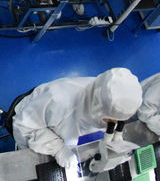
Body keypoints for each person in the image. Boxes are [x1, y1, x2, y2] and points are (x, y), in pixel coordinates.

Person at [11, 68, 142, 168]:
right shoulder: (59, 100)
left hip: (68, 132)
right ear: (100, 109)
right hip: (31, 119)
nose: (114, 125)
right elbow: (23, 127)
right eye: (112, 121)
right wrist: (58, 149)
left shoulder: (103, 94)